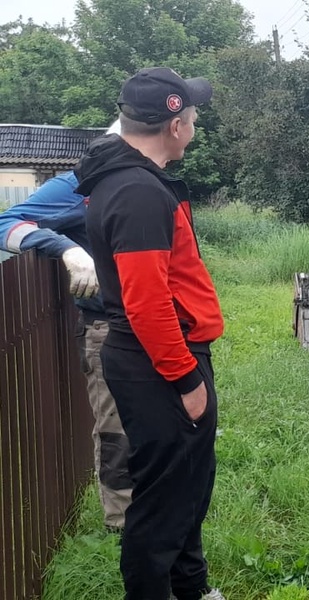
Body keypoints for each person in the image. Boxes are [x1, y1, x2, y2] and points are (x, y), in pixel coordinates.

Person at [75, 67, 225, 600]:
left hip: (160, 355)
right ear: (175, 124)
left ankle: (192, 588)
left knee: (185, 486)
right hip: (157, 360)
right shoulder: (137, 192)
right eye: (192, 115)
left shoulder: (137, 181)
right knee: (162, 502)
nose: (195, 123)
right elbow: (145, 302)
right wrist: (185, 379)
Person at [0, 120, 133, 532]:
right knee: (116, 432)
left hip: (146, 326)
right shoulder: (76, 186)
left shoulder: (143, 184)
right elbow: (6, 222)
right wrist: (67, 249)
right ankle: (121, 525)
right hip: (105, 328)